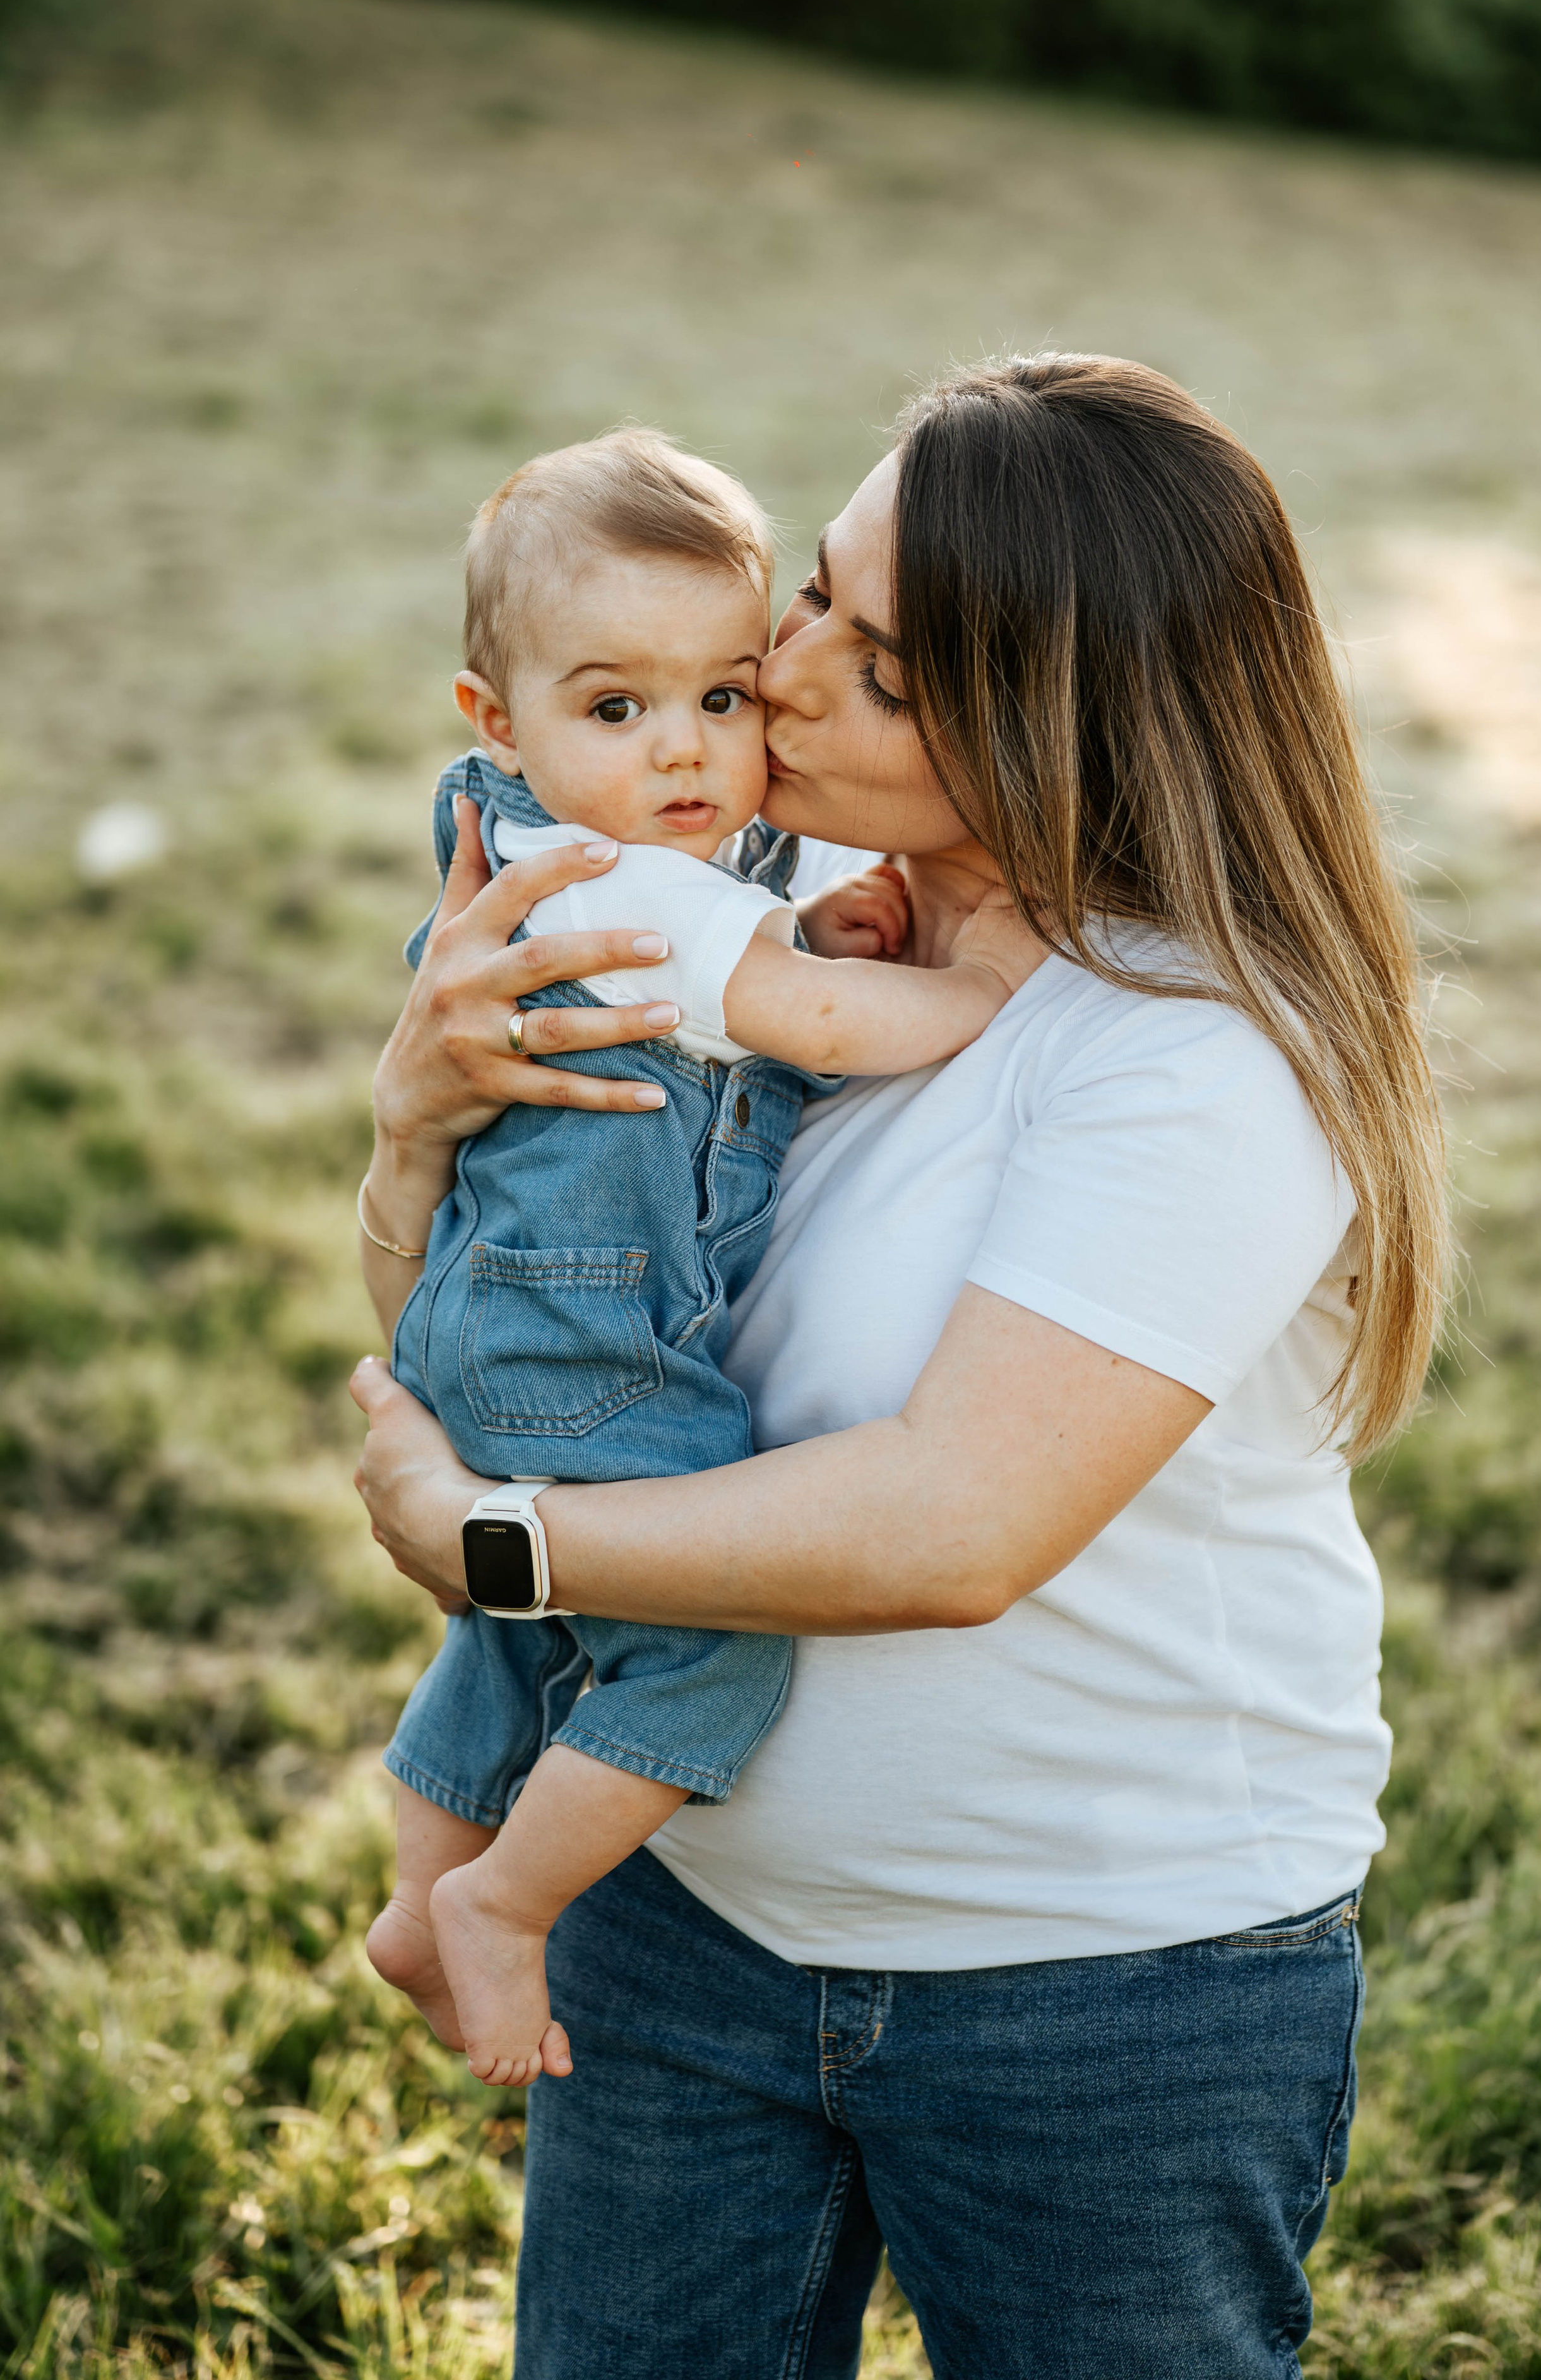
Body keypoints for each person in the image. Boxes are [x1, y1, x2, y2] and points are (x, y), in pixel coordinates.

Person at [350, 354, 1449, 2380]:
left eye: (885, 660)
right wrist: (416, 1117)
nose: (781, 673)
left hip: (1095, 1997)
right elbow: (458, 1308)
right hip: (680, 1929)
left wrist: (499, 1550)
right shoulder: (761, 928)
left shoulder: (1197, 1051)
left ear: (1061, 723)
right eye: (818, 590)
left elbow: (952, 1529)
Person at [362, 427, 1037, 2090]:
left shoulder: (579, 845)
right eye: (617, 710)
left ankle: (412, 1893)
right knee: (702, 1645)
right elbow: (800, 1022)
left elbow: (753, 994)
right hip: (585, 1339)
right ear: (493, 721)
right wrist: (976, 997)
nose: (685, 752)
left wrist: (808, 928)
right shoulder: (622, 884)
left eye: (720, 699)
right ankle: (507, 1907)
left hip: (504, 1317)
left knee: (521, 1629)